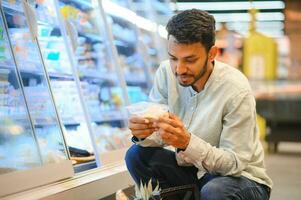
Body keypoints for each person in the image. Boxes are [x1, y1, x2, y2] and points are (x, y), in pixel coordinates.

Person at [125, 9, 272, 200]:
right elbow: (158, 138)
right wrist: (143, 133)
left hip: (242, 180)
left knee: (215, 191)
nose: (179, 69)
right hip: (194, 173)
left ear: (212, 53)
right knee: (136, 155)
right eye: (173, 58)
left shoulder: (236, 89)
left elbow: (234, 164)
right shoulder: (165, 73)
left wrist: (187, 142)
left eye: (190, 60)